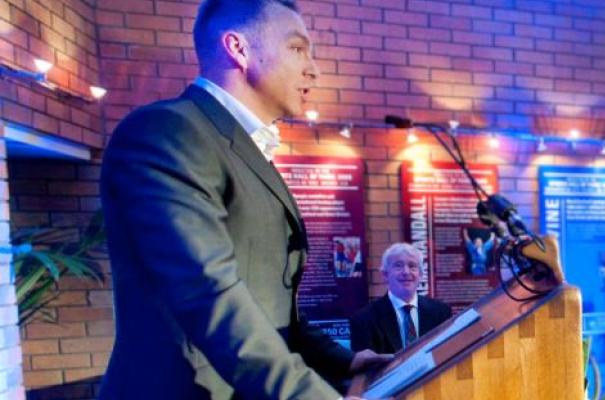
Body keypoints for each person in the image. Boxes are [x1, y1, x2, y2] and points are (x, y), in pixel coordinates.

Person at [99, 1, 389, 398]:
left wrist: (344, 360)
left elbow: (267, 302)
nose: (313, 69)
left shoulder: (241, 148)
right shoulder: (168, 131)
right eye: (297, 48)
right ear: (238, 48)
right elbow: (209, 294)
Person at [350, 243, 452, 354]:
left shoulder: (441, 312)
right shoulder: (364, 319)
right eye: (398, 266)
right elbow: (367, 368)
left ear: (421, 275)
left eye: (412, 266)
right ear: (385, 275)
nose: (406, 272)